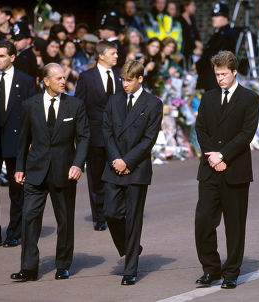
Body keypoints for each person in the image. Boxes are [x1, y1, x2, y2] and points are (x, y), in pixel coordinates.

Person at [10, 63, 90, 281]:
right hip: (35, 171)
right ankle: (29, 268)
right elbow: (23, 138)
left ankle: (63, 264)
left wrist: (77, 164)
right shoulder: (29, 105)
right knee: (29, 218)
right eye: (58, 78)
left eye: (64, 78)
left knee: (65, 221)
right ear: (46, 81)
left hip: (64, 172)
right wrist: (20, 167)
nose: (63, 81)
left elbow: (83, 138)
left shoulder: (75, 105)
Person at [194, 50, 259, 289]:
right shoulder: (208, 97)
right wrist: (212, 156)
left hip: (235, 170)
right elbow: (200, 128)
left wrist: (223, 155)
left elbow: (246, 134)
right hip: (210, 169)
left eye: (223, 74)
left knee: (235, 225)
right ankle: (211, 268)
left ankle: (231, 271)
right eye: (217, 74)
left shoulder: (249, 98)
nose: (219, 78)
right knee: (203, 221)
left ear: (234, 72)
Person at [102, 60, 162, 285]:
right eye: (122, 80)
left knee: (134, 218)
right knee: (110, 213)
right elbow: (106, 130)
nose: (124, 84)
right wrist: (116, 159)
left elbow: (149, 139)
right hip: (113, 164)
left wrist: (127, 161)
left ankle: (130, 270)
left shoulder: (153, 104)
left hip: (136, 168)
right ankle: (132, 247)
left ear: (140, 79)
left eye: (129, 80)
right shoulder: (114, 99)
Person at [75, 41, 123, 231]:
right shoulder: (87, 77)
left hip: (118, 135)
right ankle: (100, 216)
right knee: (96, 178)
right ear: (101, 55)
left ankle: (116, 212)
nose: (116, 56)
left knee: (117, 175)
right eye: (113, 53)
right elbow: (79, 106)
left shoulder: (121, 76)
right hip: (94, 135)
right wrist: (80, 134)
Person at [0, 41, 37, 247]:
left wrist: (32, 141)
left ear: (12, 58)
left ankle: (14, 232)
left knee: (16, 190)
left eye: (2, 56)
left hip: (16, 142)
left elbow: (33, 114)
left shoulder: (26, 81)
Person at [194, 1, 236, 91]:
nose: (213, 18)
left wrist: (198, 65)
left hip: (215, 82)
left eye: (217, 15)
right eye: (213, 15)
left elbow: (213, 57)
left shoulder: (226, 35)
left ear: (225, 18)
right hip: (211, 81)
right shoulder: (219, 34)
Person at [179, 0, 202, 69]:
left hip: (194, 50)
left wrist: (199, 43)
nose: (194, 8)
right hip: (186, 50)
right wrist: (195, 43)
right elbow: (184, 37)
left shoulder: (192, 19)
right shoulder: (180, 20)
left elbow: (196, 34)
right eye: (192, 5)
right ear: (186, 7)